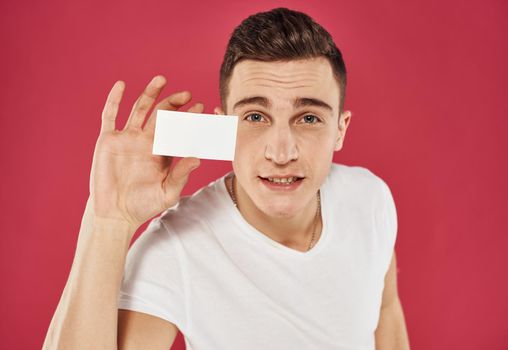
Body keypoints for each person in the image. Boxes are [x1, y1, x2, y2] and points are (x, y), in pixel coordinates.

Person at [43, 7, 410, 350]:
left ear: (340, 130)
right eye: (255, 116)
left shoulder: (370, 198)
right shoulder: (178, 247)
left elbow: (386, 313)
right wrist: (108, 222)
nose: (281, 153)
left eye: (309, 118)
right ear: (224, 127)